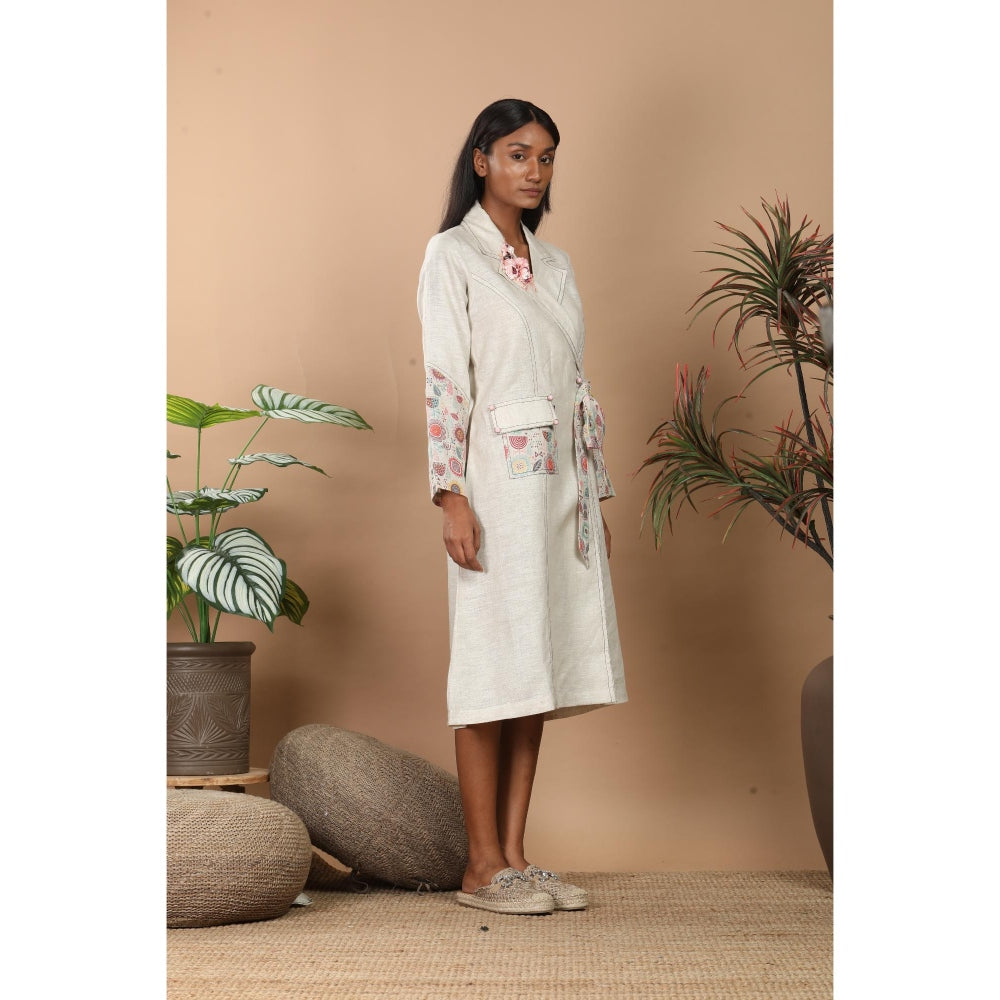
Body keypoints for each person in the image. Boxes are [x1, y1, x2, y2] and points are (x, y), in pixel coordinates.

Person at [418, 98, 627, 916]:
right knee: (490, 664)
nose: (534, 171)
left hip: (559, 489)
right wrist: (451, 497)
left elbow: (576, 386)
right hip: (495, 488)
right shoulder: (452, 256)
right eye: (517, 154)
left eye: (545, 157)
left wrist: (593, 494)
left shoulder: (556, 264)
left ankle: (514, 856)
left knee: (534, 665)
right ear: (482, 160)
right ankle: (480, 867)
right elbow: (445, 380)